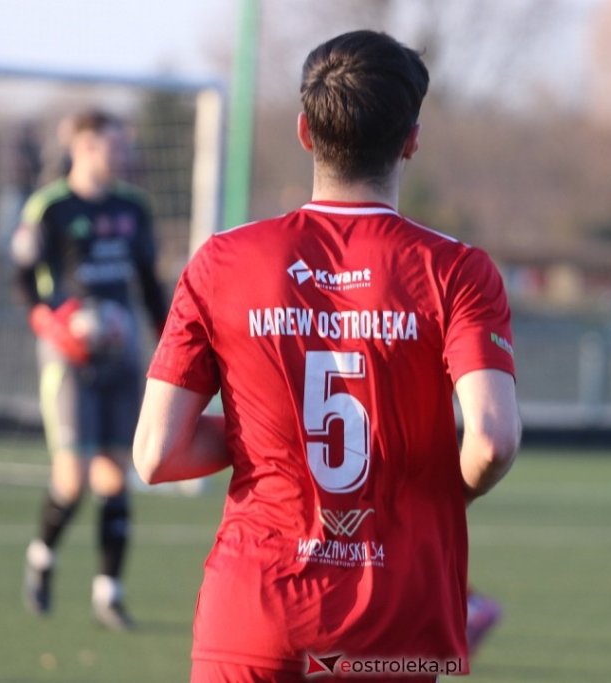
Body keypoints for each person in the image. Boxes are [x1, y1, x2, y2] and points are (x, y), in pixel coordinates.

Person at [134, 30, 521, 681]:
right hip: (394, 623)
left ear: (304, 133)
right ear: (411, 141)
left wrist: (272, 430)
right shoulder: (456, 270)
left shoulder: (223, 262)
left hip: (253, 613)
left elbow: (156, 453)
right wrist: (433, 480)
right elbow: (492, 440)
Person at [12, 108, 167, 631]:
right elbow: (22, 279)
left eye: (123, 145)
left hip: (121, 350)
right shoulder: (50, 207)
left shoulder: (134, 208)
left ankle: (109, 593)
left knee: (116, 476)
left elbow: (149, 283)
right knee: (73, 480)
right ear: (84, 147)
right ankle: (41, 559)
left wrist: (167, 338)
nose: (122, 154)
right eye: (113, 145)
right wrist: (53, 325)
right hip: (68, 355)